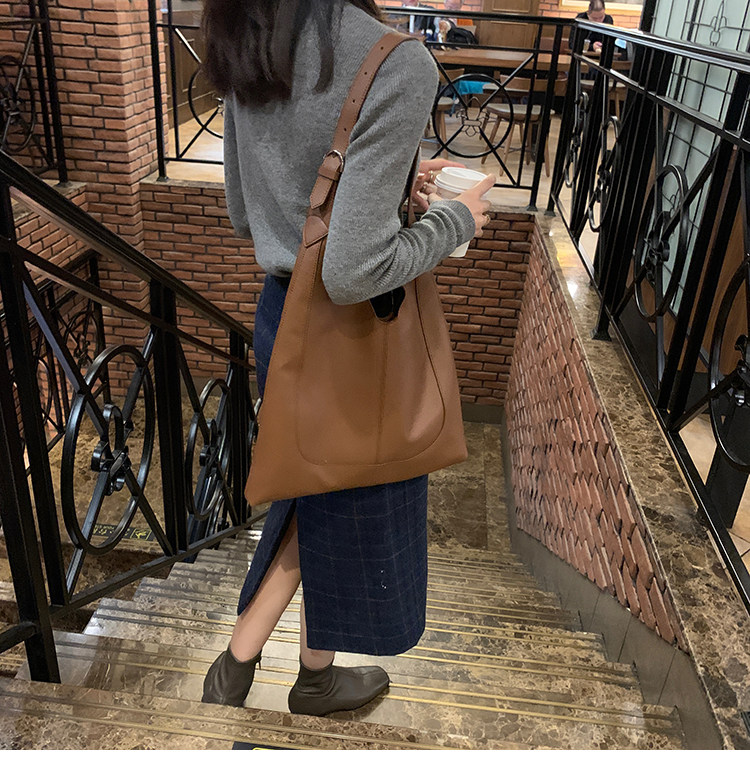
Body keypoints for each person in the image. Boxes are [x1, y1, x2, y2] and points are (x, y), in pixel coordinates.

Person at [199, 0, 495, 716]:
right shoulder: (393, 60)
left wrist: (388, 189)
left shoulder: (248, 39)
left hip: (281, 316)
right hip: (355, 332)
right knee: (336, 492)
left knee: (318, 492)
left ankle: (272, 670)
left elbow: (245, 211)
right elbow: (355, 270)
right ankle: (260, 668)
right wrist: (456, 220)